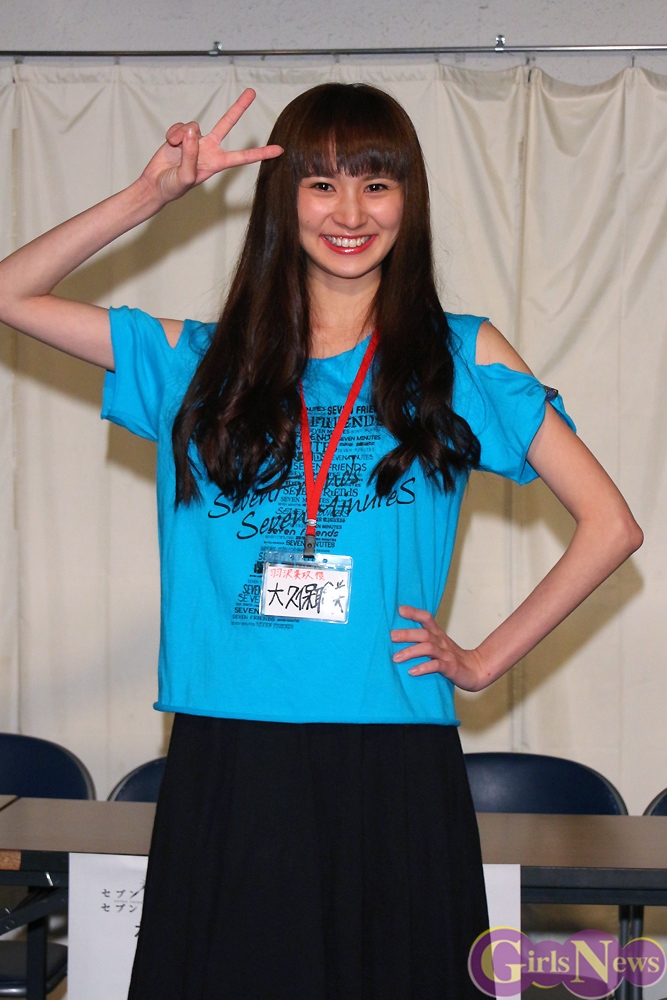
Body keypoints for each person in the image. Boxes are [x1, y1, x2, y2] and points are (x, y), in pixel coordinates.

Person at [0, 83, 642, 999]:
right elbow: (10, 292)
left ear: (408, 200)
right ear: (282, 199)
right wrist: (150, 196)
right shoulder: (200, 362)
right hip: (232, 750)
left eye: (376, 184)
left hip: (389, 751)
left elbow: (610, 525)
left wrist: (481, 661)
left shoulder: (461, 357)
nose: (350, 213)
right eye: (321, 184)